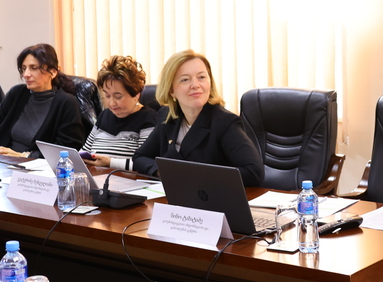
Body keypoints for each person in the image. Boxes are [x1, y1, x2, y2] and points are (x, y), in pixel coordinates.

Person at [131, 50, 263, 186]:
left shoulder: (224, 122)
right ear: (171, 90)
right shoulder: (167, 116)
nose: (195, 85)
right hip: (174, 194)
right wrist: (163, 172)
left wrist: (195, 175)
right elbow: (140, 157)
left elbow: (254, 172)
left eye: (201, 77)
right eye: (185, 79)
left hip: (210, 196)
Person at [0, 44, 86, 158]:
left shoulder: (66, 102)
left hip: (34, 165)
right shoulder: (17, 93)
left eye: (33, 68)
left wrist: (24, 156)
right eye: (24, 68)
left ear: (53, 72)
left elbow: (68, 147)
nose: (26, 74)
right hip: (0, 159)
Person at [80, 55, 159, 170]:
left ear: (136, 95)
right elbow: (84, 151)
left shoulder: (149, 119)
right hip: (96, 177)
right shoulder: (104, 115)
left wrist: (110, 162)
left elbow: (148, 164)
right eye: (107, 96)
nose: (112, 103)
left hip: (128, 180)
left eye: (118, 97)